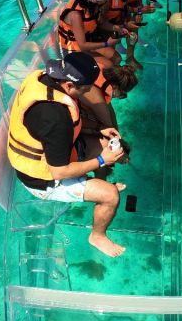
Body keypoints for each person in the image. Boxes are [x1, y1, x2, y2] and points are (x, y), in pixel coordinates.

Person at [7, 52, 127, 257]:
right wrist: (102, 160)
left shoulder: (43, 79)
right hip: (41, 180)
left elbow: (73, 123)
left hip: (52, 152)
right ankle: (97, 236)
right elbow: (60, 171)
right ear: (70, 86)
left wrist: (99, 128)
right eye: (86, 88)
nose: (89, 91)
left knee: (103, 145)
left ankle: (97, 184)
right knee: (111, 196)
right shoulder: (54, 117)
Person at [57, 0, 121, 59]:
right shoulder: (76, 15)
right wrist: (107, 44)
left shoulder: (92, 8)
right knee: (107, 65)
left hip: (88, 41)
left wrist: (115, 27)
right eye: (104, 3)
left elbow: (100, 23)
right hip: (73, 49)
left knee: (117, 58)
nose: (106, 4)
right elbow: (83, 46)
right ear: (96, 4)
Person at [101, 0, 144, 69]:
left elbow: (123, 7)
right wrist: (122, 26)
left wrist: (139, 12)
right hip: (104, 28)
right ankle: (113, 69)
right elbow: (99, 22)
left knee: (134, 29)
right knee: (116, 58)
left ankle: (130, 58)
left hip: (116, 22)